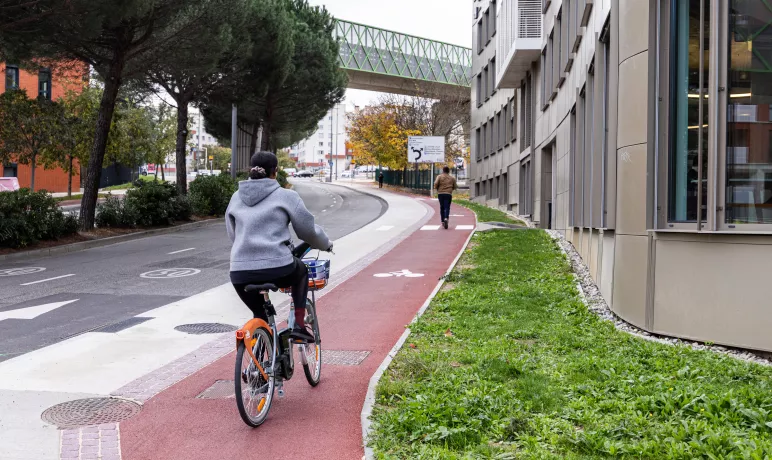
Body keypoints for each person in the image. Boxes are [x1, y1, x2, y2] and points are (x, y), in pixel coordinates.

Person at [226, 151, 332, 343]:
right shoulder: (286, 196)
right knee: (301, 271)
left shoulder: (235, 197)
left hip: (239, 272)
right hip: (278, 268)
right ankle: (299, 326)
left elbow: (233, 235)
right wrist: (326, 244)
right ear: (275, 171)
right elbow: (308, 232)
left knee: (260, 315)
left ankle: (262, 352)